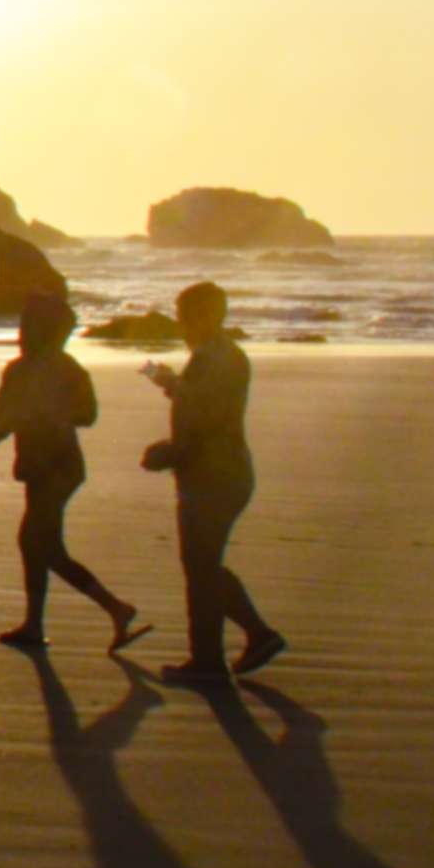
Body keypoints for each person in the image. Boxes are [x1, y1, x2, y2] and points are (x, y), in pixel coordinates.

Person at [0, 292, 151, 653]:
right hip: (45, 466)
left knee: (37, 543)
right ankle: (40, 621)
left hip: (56, 467)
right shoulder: (58, 368)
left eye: (28, 324)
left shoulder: (36, 369)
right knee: (42, 545)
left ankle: (113, 609)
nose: (22, 331)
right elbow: (77, 415)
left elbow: (9, 421)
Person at [140, 281, 286, 681]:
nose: (182, 325)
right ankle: (234, 646)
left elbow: (207, 419)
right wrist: (170, 384)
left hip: (214, 475)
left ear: (208, 316)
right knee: (203, 564)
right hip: (225, 471)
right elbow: (202, 404)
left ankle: (220, 655)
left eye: (187, 316)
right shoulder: (219, 355)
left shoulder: (213, 358)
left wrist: (171, 451)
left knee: (201, 566)